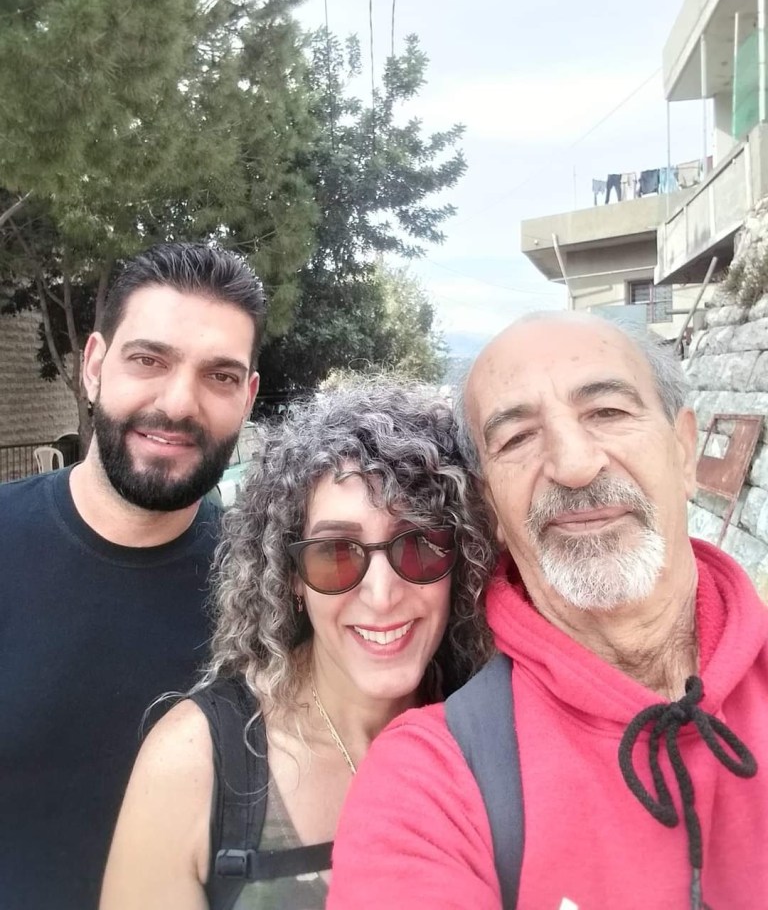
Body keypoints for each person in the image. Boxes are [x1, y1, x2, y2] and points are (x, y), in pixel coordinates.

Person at [327, 312, 768, 910]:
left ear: (685, 452)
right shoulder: (430, 782)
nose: (574, 464)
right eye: (517, 438)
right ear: (491, 508)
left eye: (607, 411)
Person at [100, 381, 496, 910]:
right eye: (336, 553)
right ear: (291, 577)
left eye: (420, 544)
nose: (382, 595)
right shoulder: (195, 764)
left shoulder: (492, 736)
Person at [0, 242, 263, 910]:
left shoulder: (270, 593)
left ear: (248, 398)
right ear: (94, 366)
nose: (178, 404)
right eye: (149, 360)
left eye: (220, 376)